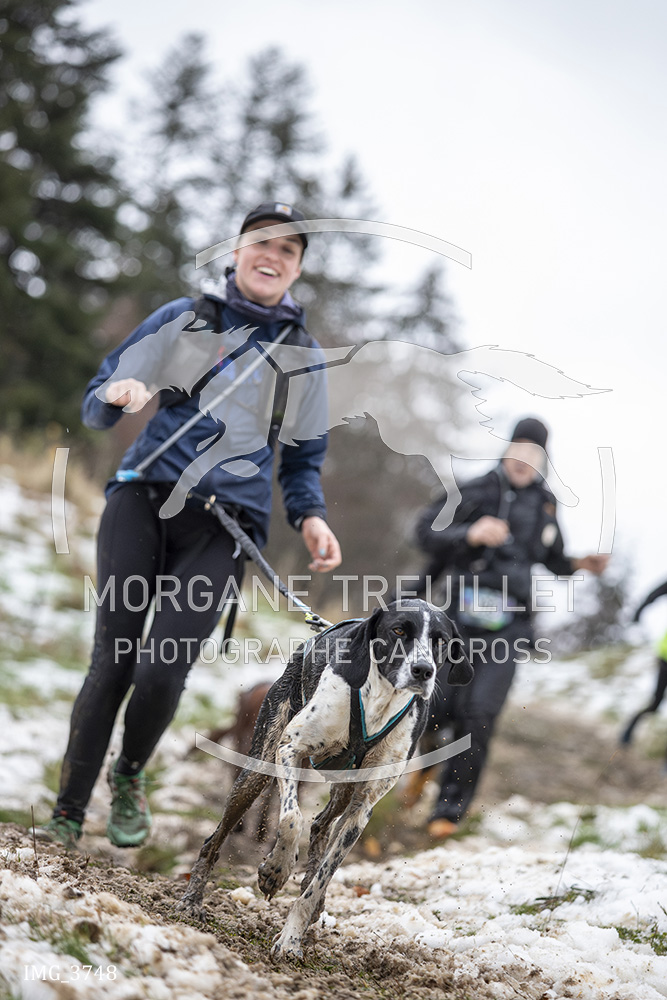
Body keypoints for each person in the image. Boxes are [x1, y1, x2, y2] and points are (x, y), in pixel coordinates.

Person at [37, 202, 342, 851]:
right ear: (237, 251)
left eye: (287, 250)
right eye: (261, 242)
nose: (272, 255)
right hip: (142, 500)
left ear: (296, 269)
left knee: (161, 669)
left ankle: (128, 774)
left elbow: (303, 459)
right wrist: (116, 395)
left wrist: (311, 516)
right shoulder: (185, 317)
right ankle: (67, 814)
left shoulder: (303, 357)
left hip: (222, 529)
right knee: (113, 662)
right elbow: (98, 396)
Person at [410, 417, 608, 838]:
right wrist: (471, 532)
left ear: (542, 461)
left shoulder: (546, 504)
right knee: (434, 706)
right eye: (518, 450)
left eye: (533, 454)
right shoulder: (473, 490)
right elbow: (424, 532)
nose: (523, 460)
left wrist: (579, 564)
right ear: (506, 450)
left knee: (480, 714)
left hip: (510, 625)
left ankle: (447, 812)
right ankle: (425, 757)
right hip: (458, 620)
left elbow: (552, 558)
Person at [620, 581, 667, 745]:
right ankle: (630, 728)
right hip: (665, 658)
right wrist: (637, 614)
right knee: (655, 704)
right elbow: (653, 594)